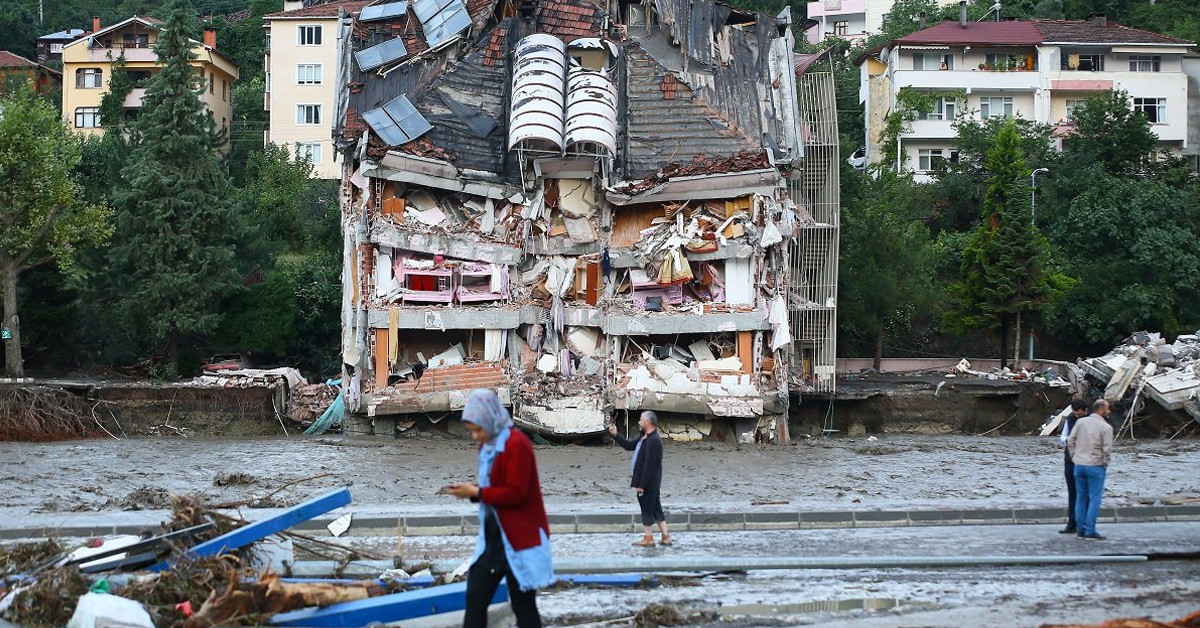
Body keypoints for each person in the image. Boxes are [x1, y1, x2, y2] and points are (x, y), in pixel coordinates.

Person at [448, 389, 553, 627]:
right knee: (475, 596)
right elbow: (494, 487)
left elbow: (517, 493)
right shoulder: (487, 446)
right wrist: (473, 491)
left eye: (478, 429)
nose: (475, 436)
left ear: (490, 420)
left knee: (523, 605)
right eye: (472, 431)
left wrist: (476, 492)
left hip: (518, 538)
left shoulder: (517, 444)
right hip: (494, 537)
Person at [608, 410, 671, 547]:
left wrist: (641, 485)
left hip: (649, 482)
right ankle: (665, 536)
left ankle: (648, 538)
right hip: (651, 482)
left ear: (648, 422)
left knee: (647, 509)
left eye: (641, 419)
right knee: (656, 508)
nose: (639, 422)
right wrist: (615, 435)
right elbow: (629, 445)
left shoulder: (653, 440)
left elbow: (649, 465)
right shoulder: (645, 437)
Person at [1067, 399, 1114, 541]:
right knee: (1094, 499)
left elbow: (1070, 440)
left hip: (1079, 465)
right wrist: (1104, 464)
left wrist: (1074, 457)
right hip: (1095, 465)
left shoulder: (1081, 422)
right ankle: (1090, 530)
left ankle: (1080, 530)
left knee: (1080, 498)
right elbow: (1107, 450)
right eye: (1108, 409)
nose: (1109, 411)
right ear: (1101, 409)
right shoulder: (1106, 428)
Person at [1058, 398, 1090, 534]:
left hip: (1085, 461)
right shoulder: (1069, 419)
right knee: (1073, 493)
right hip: (1070, 460)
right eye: (1075, 414)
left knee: (1085, 494)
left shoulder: (1090, 421)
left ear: (1085, 411)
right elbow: (1062, 437)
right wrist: (1071, 440)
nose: (1077, 416)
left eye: (1079, 414)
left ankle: (1084, 523)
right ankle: (1072, 522)